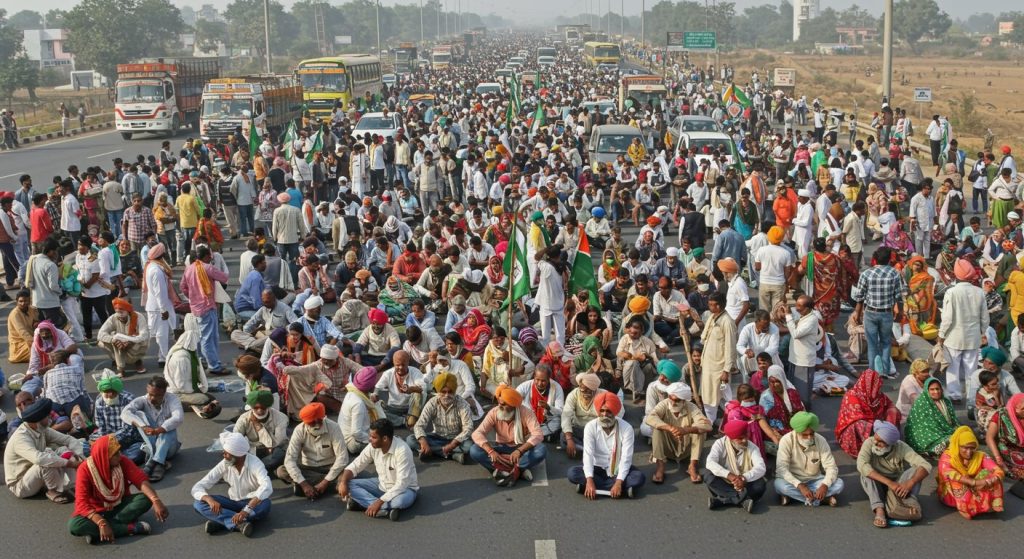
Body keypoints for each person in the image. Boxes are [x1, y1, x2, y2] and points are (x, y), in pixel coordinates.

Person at [68, 434, 169, 545]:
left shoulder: (123, 461)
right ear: (105, 457)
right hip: (96, 511)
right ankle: (129, 528)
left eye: (119, 451)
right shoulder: (85, 469)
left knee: (145, 499)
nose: (119, 456)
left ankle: (99, 532)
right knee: (75, 526)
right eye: (115, 454)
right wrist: (101, 522)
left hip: (119, 505)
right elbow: (81, 502)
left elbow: (140, 480)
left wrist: (155, 500)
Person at [191, 432, 272, 537]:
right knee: (198, 503)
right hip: (232, 503)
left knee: (265, 504)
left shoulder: (255, 463)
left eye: (226, 453)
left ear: (238, 455)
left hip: (252, 504)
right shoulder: (225, 463)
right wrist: (208, 499)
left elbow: (267, 486)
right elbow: (197, 487)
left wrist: (246, 510)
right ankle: (238, 523)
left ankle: (222, 522)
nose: (223, 455)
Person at [3, 397, 84, 502]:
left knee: (64, 450)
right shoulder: (21, 438)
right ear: (37, 421)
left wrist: (81, 458)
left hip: (35, 474)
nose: (50, 418)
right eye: (47, 417)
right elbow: (39, 459)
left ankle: (75, 485)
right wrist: (71, 464)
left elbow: (68, 440)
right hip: (20, 485)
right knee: (45, 461)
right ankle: (53, 491)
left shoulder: (41, 429)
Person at [568, 391, 646, 499]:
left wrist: (618, 482)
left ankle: (592, 487)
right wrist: (590, 480)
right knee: (573, 473)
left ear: (615, 412)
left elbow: (626, 458)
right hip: (597, 468)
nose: (604, 415)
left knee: (638, 477)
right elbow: (588, 455)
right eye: (602, 411)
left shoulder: (626, 428)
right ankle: (621, 489)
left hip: (617, 469)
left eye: (608, 411)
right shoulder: (591, 426)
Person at [337, 419, 419, 521]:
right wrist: (343, 482)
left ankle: (364, 504)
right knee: (347, 484)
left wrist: (379, 502)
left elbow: (401, 484)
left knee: (399, 502)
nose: (370, 440)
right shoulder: (372, 446)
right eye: (370, 436)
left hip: (404, 490)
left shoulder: (402, 451)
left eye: (374, 437)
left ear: (385, 439)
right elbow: (355, 465)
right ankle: (384, 509)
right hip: (381, 485)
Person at [857, 420, 932, 528]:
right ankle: (879, 509)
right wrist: (889, 483)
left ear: (890, 444)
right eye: (875, 439)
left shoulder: (901, 446)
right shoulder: (869, 442)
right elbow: (861, 465)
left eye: (881, 442)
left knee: (917, 470)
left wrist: (911, 482)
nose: (876, 443)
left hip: (897, 485)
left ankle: (907, 502)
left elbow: (925, 465)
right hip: (879, 483)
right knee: (865, 474)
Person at [470, 384, 548, 486]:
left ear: (513, 405)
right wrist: (491, 451)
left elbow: (538, 435)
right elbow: (477, 433)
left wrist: (519, 451)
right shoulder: (494, 412)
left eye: (503, 404)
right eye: (499, 403)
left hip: (521, 448)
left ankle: (502, 469)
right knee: (474, 450)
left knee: (541, 450)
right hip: (501, 447)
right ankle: (519, 469)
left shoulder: (526, 413)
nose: (500, 407)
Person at [852, 247, 908, 378]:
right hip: (887, 313)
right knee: (886, 343)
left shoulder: (866, 273)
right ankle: (885, 371)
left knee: (872, 344)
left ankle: (873, 372)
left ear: (875, 259)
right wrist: (899, 312)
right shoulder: (895, 273)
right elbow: (899, 296)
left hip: (870, 313)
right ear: (889, 260)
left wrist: (857, 314)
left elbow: (859, 297)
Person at [939, 259, 989, 402]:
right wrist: (982, 332)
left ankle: (955, 395)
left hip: (953, 337)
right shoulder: (979, 292)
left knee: (953, 367)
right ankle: (972, 397)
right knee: (971, 368)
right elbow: (985, 318)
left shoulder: (951, 292)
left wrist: (941, 334)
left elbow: (947, 318)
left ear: (956, 274)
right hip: (973, 338)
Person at [278, 403, 349, 500]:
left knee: (345, 473)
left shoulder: (334, 427)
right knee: (282, 471)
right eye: (312, 422)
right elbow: (289, 460)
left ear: (323, 417)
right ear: (305, 422)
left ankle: (312, 486)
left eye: (319, 420)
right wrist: (304, 484)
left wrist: (325, 482)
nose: (317, 424)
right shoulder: (299, 430)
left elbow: (342, 458)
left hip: (330, 467)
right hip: (308, 467)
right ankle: (328, 486)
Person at [645, 382, 711, 484]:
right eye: (670, 398)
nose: (672, 402)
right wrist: (670, 428)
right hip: (668, 448)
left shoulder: (691, 407)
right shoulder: (664, 404)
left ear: (684, 400)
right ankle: (660, 466)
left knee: (699, 430)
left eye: (676, 400)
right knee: (657, 428)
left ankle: (692, 466)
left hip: (686, 448)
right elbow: (650, 418)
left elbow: (707, 425)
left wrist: (685, 430)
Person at [774, 411, 843, 507]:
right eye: (805, 435)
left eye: (812, 434)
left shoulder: (821, 440)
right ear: (797, 431)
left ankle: (796, 497)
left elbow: (831, 467)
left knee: (839, 484)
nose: (809, 437)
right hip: (793, 480)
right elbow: (782, 469)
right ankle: (821, 499)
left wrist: (825, 485)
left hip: (815, 480)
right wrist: (800, 485)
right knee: (780, 485)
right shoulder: (786, 440)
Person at [120, 377, 182, 482]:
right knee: (139, 414)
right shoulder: (142, 400)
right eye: (150, 394)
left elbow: (178, 417)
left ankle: (156, 462)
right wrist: (142, 426)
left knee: (169, 427)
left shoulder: (172, 399)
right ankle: (159, 462)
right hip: (151, 444)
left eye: (157, 396)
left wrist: (159, 430)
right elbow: (125, 413)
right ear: (147, 390)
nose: (152, 398)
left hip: (169, 447)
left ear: (164, 393)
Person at [180, 245, 230, 375]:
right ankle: (214, 366)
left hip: (196, 307)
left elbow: (183, 287)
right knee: (208, 338)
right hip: (207, 306)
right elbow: (224, 277)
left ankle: (206, 360)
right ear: (206, 256)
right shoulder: (207, 268)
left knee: (203, 335)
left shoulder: (189, 268)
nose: (211, 258)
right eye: (210, 256)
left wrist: (193, 296)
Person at [936, 426, 1005, 519]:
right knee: (956, 482)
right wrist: (973, 482)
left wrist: (988, 481)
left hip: (977, 485)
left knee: (993, 477)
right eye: (965, 448)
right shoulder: (948, 456)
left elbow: (998, 471)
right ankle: (969, 506)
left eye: (972, 448)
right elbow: (947, 472)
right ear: (958, 445)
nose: (969, 452)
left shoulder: (980, 456)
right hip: (955, 492)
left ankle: (984, 505)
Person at [164, 314, 222, 420]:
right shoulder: (181, 357)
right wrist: (196, 390)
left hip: (187, 388)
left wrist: (199, 388)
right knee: (205, 399)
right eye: (197, 334)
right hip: (178, 392)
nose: (199, 337)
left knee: (211, 399)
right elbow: (181, 386)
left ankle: (193, 404)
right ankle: (174, 403)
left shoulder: (189, 352)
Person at [408, 372, 474, 463]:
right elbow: (419, 425)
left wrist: (452, 445)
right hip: (437, 437)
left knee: (469, 447)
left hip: (456, 439)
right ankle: (452, 455)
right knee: (410, 440)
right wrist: (424, 443)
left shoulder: (462, 404)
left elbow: (468, 428)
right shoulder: (432, 402)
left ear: (454, 391)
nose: (447, 395)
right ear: (438, 391)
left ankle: (432, 451)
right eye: (443, 392)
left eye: (450, 392)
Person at [703, 420, 767, 513]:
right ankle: (743, 500)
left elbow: (761, 467)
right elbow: (710, 462)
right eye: (740, 438)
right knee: (708, 476)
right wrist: (730, 476)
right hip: (725, 481)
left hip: (744, 483)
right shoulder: (720, 444)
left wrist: (744, 478)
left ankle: (723, 501)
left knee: (760, 484)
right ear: (731, 438)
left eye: (746, 435)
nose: (744, 440)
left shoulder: (753, 447)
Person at [835, 370, 902, 458]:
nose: (878, 389)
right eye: (876, 386)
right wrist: (880, 426)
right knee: (860, 425)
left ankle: (888, 440)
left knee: (893, 411)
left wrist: (889, 420)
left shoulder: (878, 396)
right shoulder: (851, 396)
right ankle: (868, 447)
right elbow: (858, 418)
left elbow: (889, 404)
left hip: (876, 424)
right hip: (855, 430)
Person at [699, 292, 737, 422]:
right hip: (709, 365)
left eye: (712, 305)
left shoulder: (727, 322)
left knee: (725, 397)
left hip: (720, 368)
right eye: (709, 304)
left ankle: (733, 421)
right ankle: (711, 422)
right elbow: (703, 338)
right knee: (709, 395)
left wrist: (726, 370)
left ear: (719, 306)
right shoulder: (712, 317)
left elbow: (730, 347)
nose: (710, 307)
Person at [234, 391, 288, 472]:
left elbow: (275, 444)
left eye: (263, 407)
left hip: (275, 449)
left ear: (268, 406)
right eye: (256, 408)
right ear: (251, 406)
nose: (259, 411)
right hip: (253, 449)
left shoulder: (281, 418)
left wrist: (258, 425)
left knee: (280, 453)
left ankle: (255, 469)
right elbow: (235, 439)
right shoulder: (243, 419)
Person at [905, 378, 960, 456]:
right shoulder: (921, 403)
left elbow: (953, 420)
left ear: (941, 389)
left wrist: (957, 430)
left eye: (938, 389)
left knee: (965, 434)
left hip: (946, 431)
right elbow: (928, 427)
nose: (936, 392)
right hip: (928, 435)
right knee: (951, 440)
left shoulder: (946, 401)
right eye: (932, 389)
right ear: (927, 390)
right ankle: (935, 449)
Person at [97, 298, 150, 377]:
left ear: (128, 311)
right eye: (117, 312)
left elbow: (143, 335)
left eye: (122, 312)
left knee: (143, 340)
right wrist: (113, 340)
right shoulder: (113, 318)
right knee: (102, 342)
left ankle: (137, 361)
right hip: (120, 344)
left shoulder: (139, 317)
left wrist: (129, 340)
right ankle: (120, 366)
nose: (119, 315)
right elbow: (100, 334)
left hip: (135, 345)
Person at [373, 350, 426, 428]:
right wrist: (375, 395)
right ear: (393, 363)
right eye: (397, 365)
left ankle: (407, 419)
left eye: (403, 365)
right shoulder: (388, 373)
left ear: (408, 362)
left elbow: (422, 388)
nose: (400, 367)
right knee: (375, 410)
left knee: (417, 394)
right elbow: (377, 388)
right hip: (392, 407)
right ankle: (405, 421)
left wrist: (410, 389)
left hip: (410, 408)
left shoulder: (415, 372)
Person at [339, 366, 385, 455]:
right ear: (370, 385)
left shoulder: (352, 391)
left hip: (345, 436)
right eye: (375, 380)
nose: (376, 382)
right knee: (388, 444)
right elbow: (356, 432)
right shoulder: (358, 403)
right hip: (353, 443)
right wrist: (376, 439)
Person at [986, 393, 1024, 497]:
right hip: (1008, 451)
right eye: (1023, 409)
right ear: (1015, 407)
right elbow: (989, 437)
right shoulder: (1000, 416)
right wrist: (998, 457)